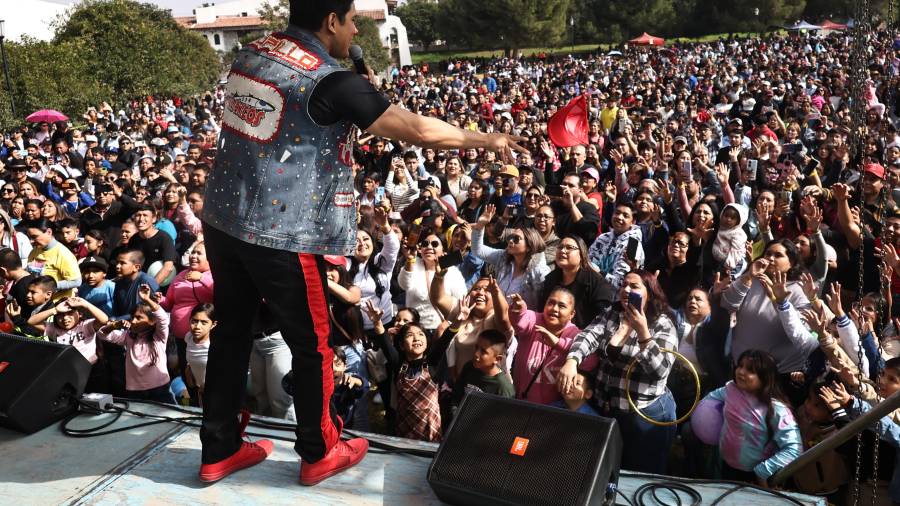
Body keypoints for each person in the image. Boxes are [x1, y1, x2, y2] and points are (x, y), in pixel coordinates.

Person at [198, 0, 526, 485]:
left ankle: (219, 448)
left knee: (230, 332)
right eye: (352, 23)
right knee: (313, 346)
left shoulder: (252, 52)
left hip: (224, 220)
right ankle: (318, 451)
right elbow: (417, 130)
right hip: (281, 234)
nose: (354, 33)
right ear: (331, 20)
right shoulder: (331, 80)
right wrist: (487, 139)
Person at [558, 270, 678, 474]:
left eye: (634, 286)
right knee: (609, 468)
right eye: (623, 285)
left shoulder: (662, 323)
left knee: (640, 471)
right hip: (609, 406)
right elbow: (588, 336)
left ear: (650, 292)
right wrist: (572, 360)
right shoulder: (612, 313)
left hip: (644, 414)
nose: (626, 290)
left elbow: (660, 370)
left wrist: (643, 333)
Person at [696, 350, 802, 486]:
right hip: (725, 466)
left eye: (750, 370)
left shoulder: (777, 410)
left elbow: (794, 449)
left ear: (765, 377)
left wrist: (763, 471)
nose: (741, 372)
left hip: (753, 477)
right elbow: (712, 398)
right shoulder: (730, 389)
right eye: (740, 365)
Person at [98, 283, 173, 403]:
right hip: (135, 391)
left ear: (152, 321)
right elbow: (102, 334)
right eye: (132, 317)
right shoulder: (128, 336)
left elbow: (163, 319)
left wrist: (147, 299)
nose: (133, 321)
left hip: (159, 388)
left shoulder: (158, 337)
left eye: (139, 318)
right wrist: (114, 325)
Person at [451, 329, 515, 406]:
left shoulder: (503, 388)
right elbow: (456, 397)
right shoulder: (469, 367)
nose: (476, 354)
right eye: (476, 347)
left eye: (483, 352)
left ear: (497, 359)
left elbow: (503, 416)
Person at [23, 218, 81, 299]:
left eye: (34, 237)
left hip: (57, 304)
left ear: (49, 232)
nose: (31, 241)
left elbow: (76, 281)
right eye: (29, 237)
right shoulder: (34, 251)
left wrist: (50, 286)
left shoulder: (63, 253)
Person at [185, 303, 216, 394]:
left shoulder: (214, 345)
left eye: (204, 322)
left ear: (213, 324)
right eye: (194, 321)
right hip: (199, 389)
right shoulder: (189, 337)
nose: (197, 327)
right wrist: (188, 371)